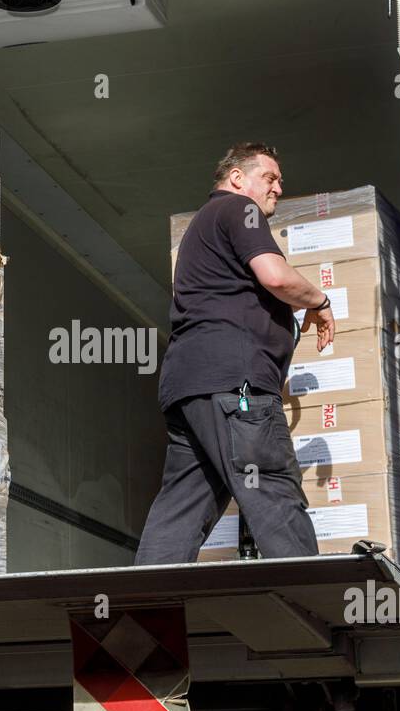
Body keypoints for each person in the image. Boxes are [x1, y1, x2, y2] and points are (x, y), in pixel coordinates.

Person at [134, 142, 334, 565]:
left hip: (190, 391)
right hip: (234, 385)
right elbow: (275, 276)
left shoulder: (202, 228)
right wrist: (319, 300)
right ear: (237, 178)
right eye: (270, 177)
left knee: (182, 508)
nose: (279, 187)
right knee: (273, 489)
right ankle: (320, 607)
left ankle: (141, 616)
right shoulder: (239, 211)